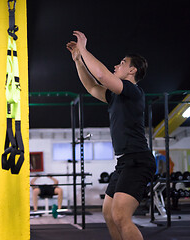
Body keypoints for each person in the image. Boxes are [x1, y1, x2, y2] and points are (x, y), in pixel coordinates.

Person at [67, 31, 156, 240]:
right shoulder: (117, 96)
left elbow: (102, 75)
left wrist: (85, 49)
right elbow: (91, 86)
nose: (117, 65)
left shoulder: (133, 91)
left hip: (138, 161)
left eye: (122, 63)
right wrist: (79, 60)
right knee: (108, 213)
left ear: (132, 70)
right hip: (124, 162)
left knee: (120, 216)